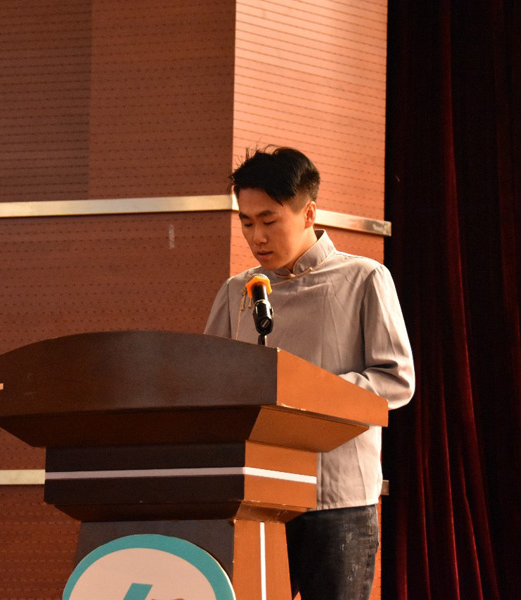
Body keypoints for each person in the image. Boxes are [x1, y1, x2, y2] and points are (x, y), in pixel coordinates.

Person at [204, 147, 415, 600]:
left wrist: (306, 393)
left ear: (309, 213)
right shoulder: (237, 291)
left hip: (337, 499)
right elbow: (209, 380)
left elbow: (396, 379)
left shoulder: (364, 278)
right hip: (257, 496)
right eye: (247, 223)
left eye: (269, 220)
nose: (257, 236)